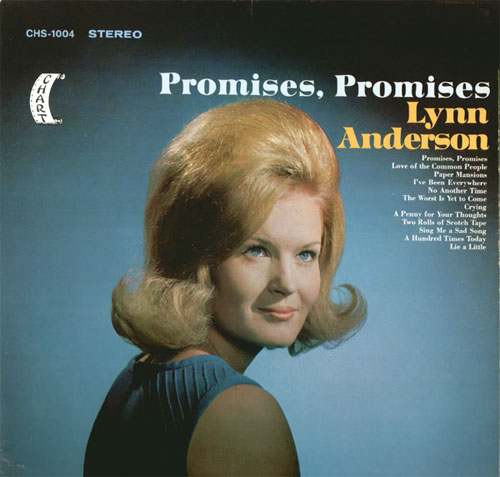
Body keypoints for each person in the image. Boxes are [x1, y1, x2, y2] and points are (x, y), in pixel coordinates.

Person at [84, 99, 366, 476]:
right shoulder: (240, 411)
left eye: (305, 254)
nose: (286, 283)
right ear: (198, 257)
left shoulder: (138, 378)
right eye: (256, 250)